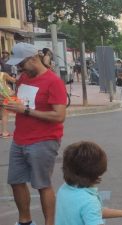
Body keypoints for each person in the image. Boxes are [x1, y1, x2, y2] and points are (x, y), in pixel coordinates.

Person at [3, 42, 67, 225]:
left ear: (33, 59)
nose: (19, 68)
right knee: (15, 181)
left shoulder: (53, 82)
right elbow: (21, 103)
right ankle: (25, 221)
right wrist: (8, 102)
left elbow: (59, 115)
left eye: (21, 63)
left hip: (44, 140)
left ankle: (49, 223)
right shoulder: (23, 78)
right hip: (20, 138)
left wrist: (25, 110)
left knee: (42, 184)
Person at [55, 141, 122, 225]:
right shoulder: (88, 202)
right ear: (97, 173)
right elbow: (91, 209)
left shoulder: (65, 189)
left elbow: (94, 212)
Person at [0, 71, 16, 138]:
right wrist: (14, 77)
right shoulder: (3, 74)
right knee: (4, 115)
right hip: (3, 96)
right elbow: (14, 81)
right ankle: (4, 132)